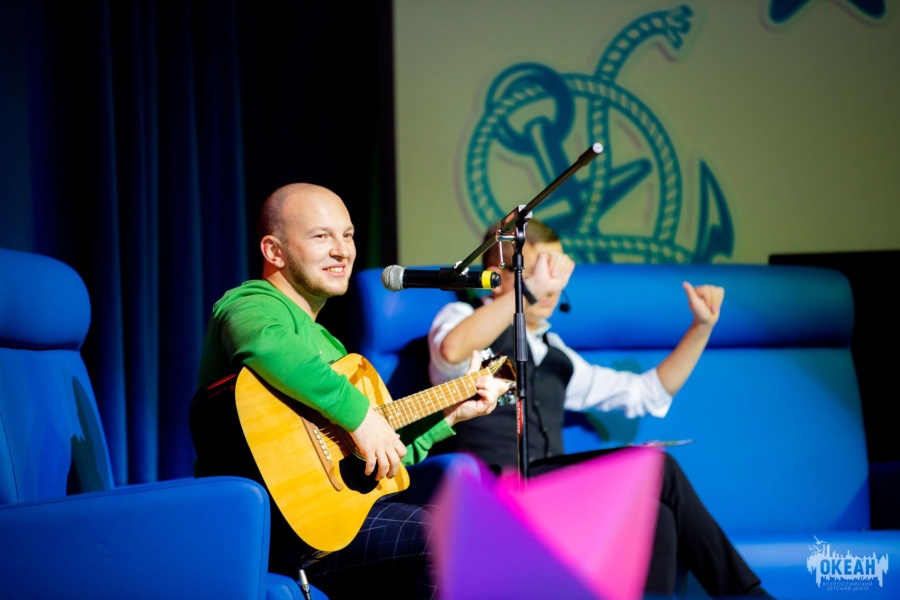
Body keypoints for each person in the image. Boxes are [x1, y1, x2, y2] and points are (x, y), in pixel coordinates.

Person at [190, 183, 510, 600]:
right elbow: (268, 346)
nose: (342, 250)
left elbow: (385, 458)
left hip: (330, 528)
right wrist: (359, 416)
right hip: (269, 532)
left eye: (348, 235)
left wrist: (451, 413)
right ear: (274, 251)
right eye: (321, 236)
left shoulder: (334, 350)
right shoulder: (250, 303)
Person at [426, 219, 774, 599]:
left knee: (653, 514)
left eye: (559, 272)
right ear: (498, 277)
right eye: (542, 270)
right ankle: (748, 596)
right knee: (655, 466)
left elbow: (643, 393)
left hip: (552, 495)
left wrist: (701, 328)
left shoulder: (557, 353)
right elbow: (452, 352)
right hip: (493, 491)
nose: (553, 284)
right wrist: (526, 290)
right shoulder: (459, 319)